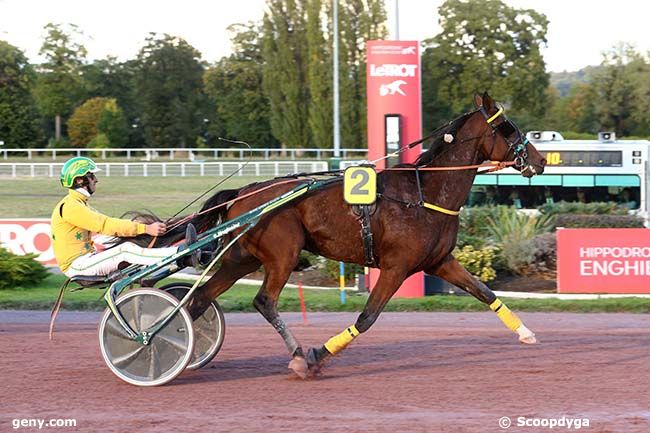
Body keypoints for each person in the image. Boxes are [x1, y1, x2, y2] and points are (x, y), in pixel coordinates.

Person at [51, 157, 199, 278]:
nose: (96, 180)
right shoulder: (72, 207)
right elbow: (107, 225)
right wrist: (145, 228)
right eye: (92, 176)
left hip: (85, 259)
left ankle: (186, 255)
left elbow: (108, 223)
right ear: (79, 180)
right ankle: (181, 252)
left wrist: (140, 226)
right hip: (77, 266)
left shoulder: (79, 203)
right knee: (125, 250)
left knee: (125, 246)